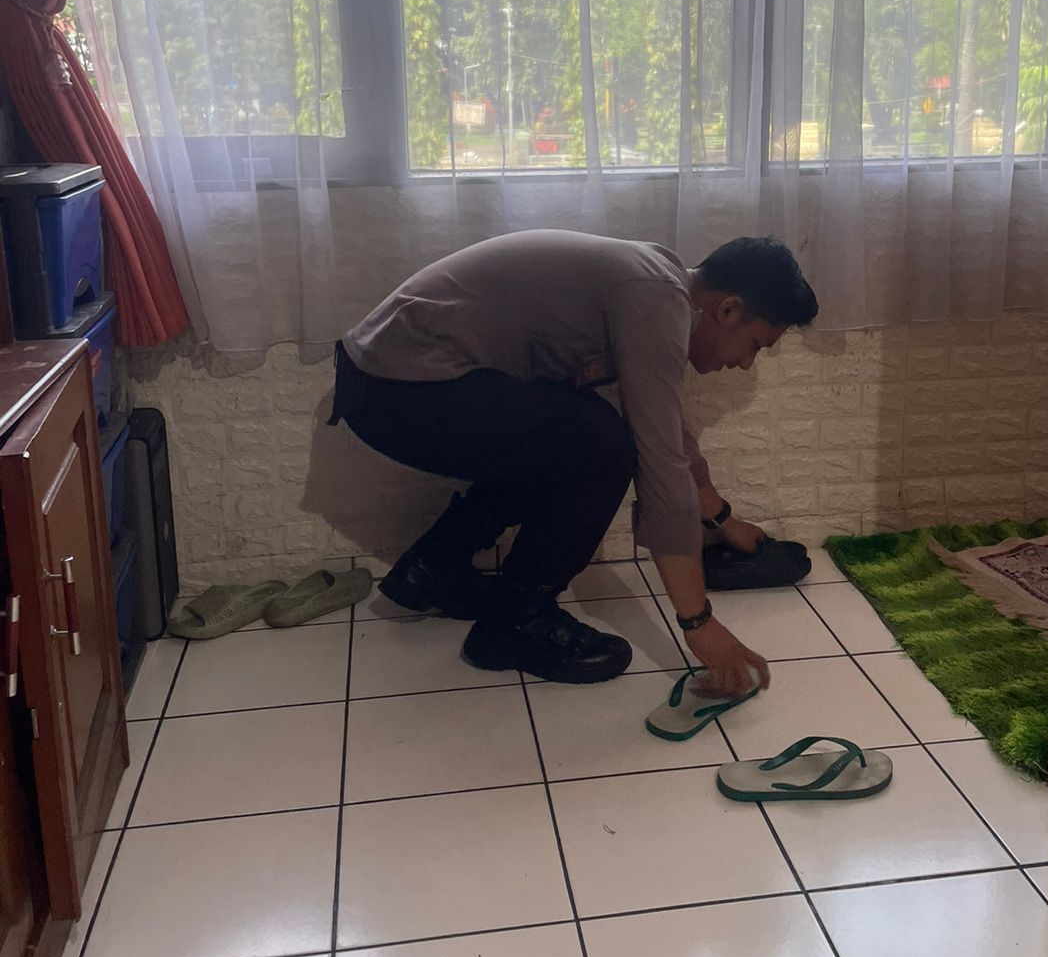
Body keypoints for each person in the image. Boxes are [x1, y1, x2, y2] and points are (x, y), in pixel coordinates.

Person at [330, 230, 818, 691]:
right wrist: (698, 622)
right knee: (600, 445)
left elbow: (663, 425)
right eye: (757, 344)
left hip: (386, 384)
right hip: (397, 389)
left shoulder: (654, 285)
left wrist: (721, 519)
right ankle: (515, 621)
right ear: (728, 309)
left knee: (567, 433)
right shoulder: (654, 294)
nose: (746, 363)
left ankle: (434, 571)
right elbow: (659, 460)